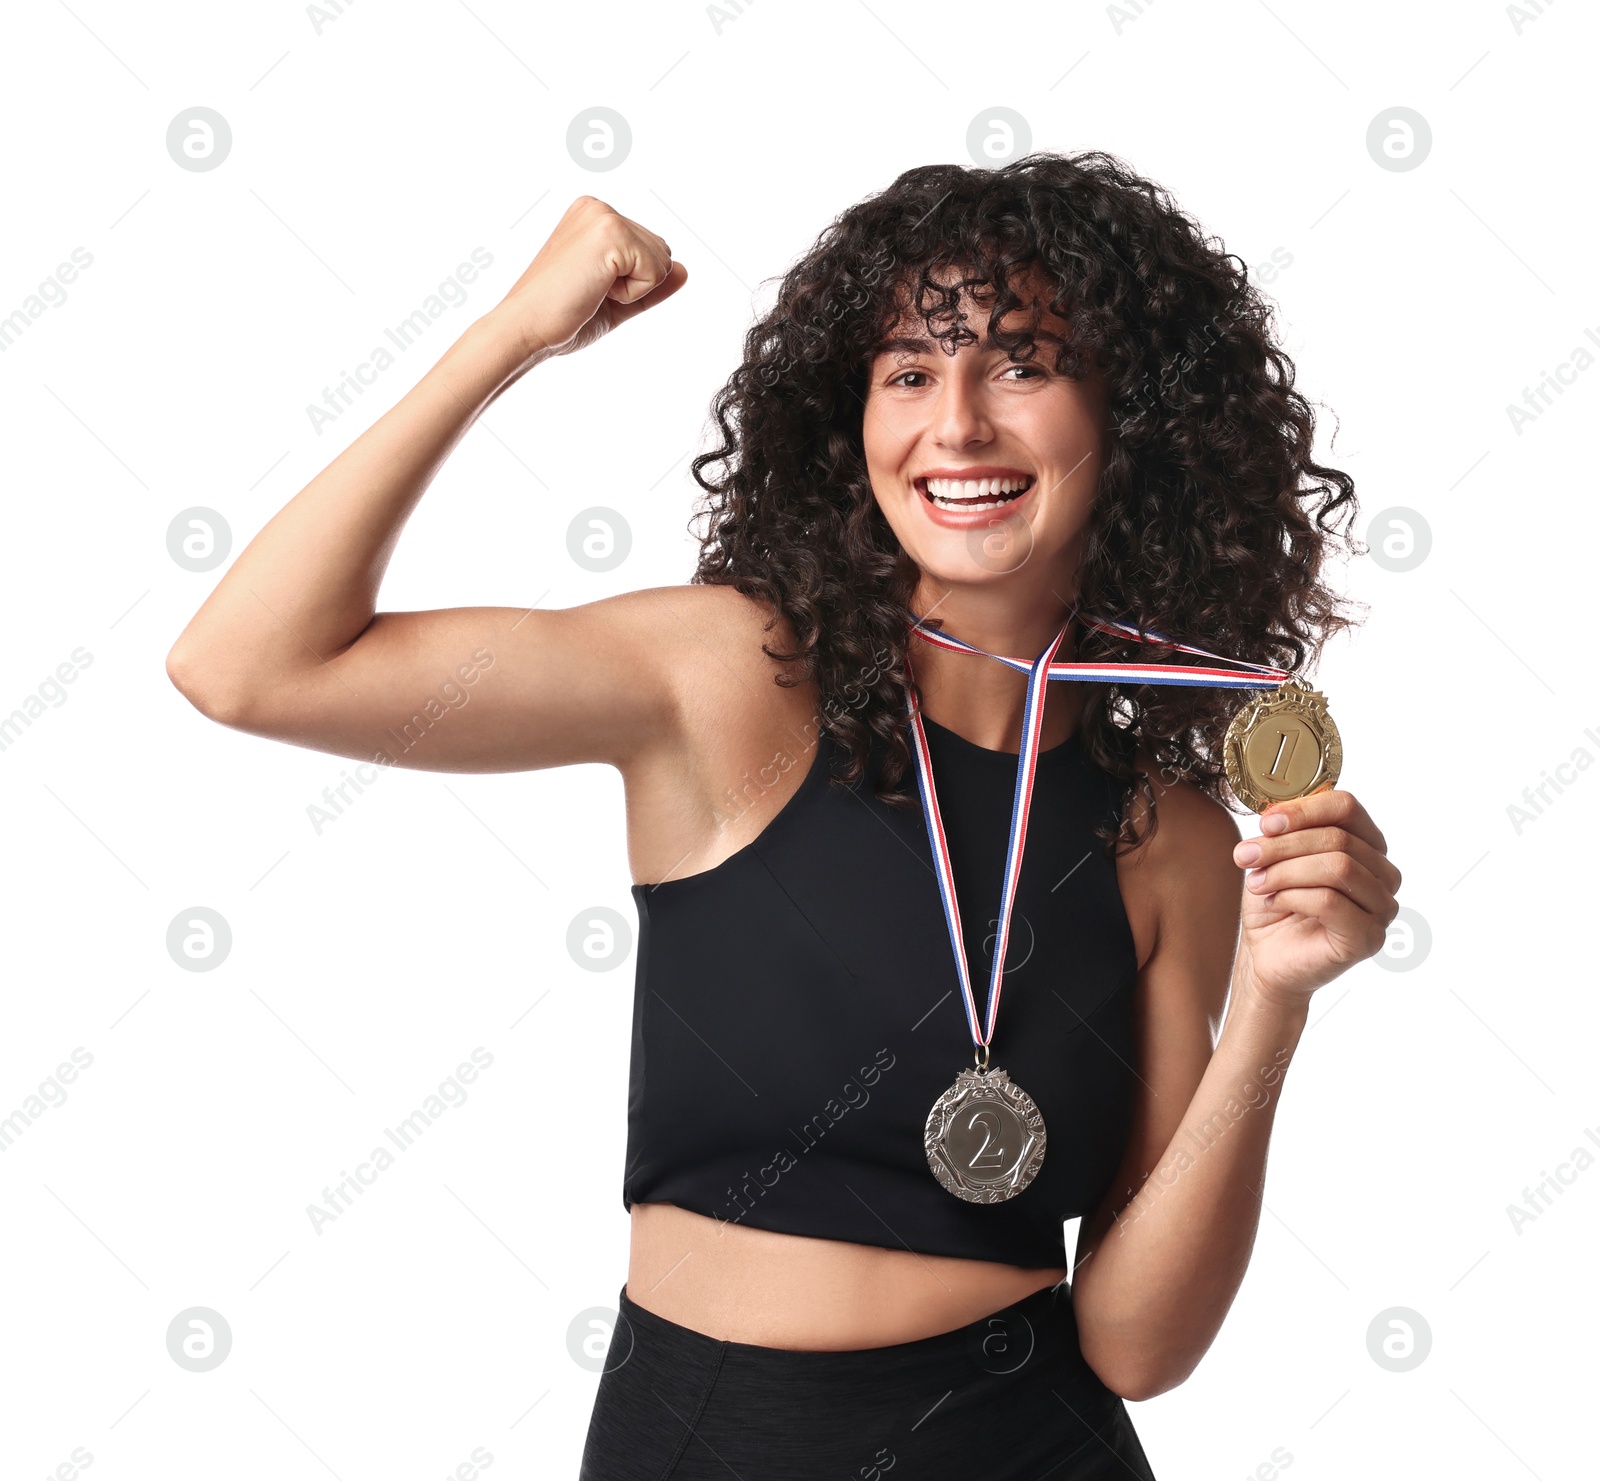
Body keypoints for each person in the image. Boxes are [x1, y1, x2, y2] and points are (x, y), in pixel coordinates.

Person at [166, 152, 1401, 1478]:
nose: (961, 424)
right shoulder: (728, 681)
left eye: (1024, 363)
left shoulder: (1171, 839)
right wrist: (510, 335)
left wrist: (1278, 996)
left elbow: (1138, 1346)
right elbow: (246, 666)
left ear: (1131, 420)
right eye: (911, 372)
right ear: (850, 419)